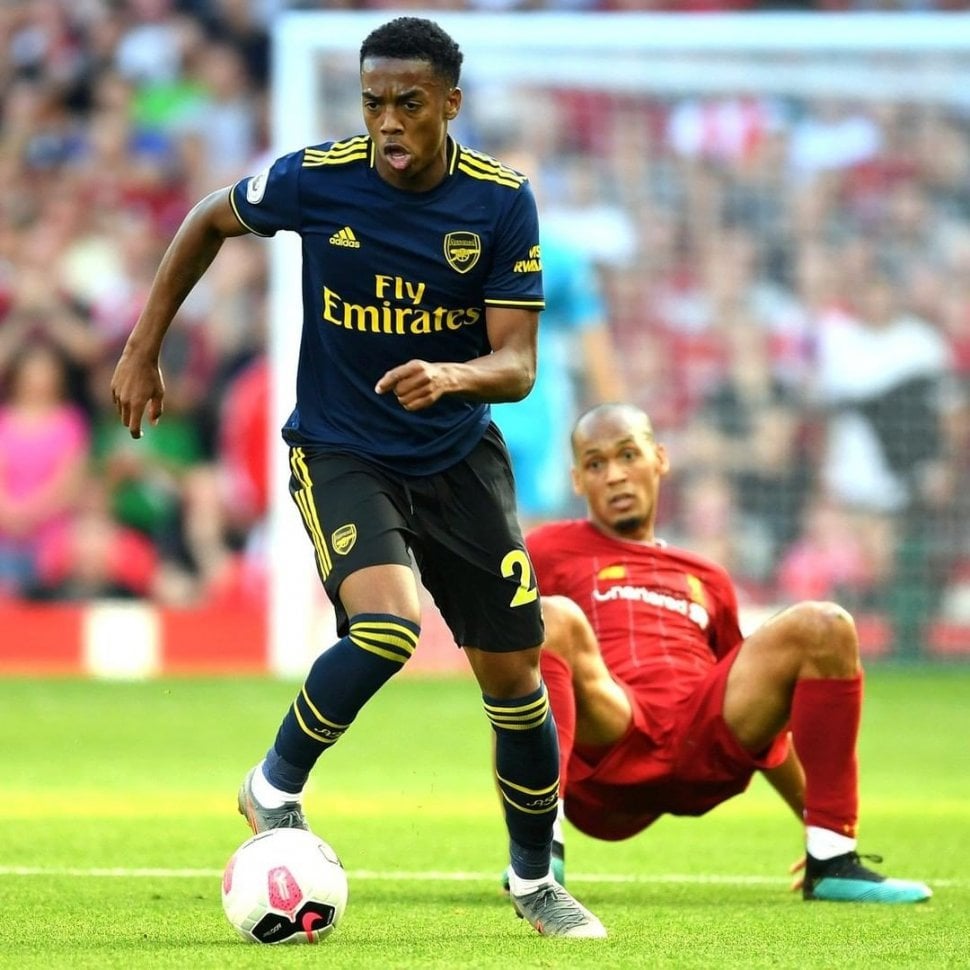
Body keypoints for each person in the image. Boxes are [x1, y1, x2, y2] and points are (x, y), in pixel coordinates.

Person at [109, 16, 604, 939]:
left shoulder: (500, 204)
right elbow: (207, 218)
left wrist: (453, 375)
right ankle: (272, 787)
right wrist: (144, 350)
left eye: (409, 104)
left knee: (515, 680)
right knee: (386, 628)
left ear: (450, 104)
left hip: (457, 457)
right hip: (341, 448)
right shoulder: (317, 177)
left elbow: (519, 363)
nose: (388, 122)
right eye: (374, 102)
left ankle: (535, 881)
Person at [522, 402, 931, 904]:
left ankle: (834, 859)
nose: (615, 475)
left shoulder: (706, 577)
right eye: (595, 463)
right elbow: (511, 671)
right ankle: (540, 850)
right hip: (612, 734)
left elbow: (759, 714)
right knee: (550, 616)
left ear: (660, 458)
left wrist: (813, 813)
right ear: (578, 481)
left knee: (826, 624)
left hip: (701, 741)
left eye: (628, 454)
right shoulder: (546, 550)